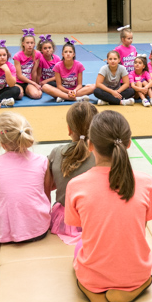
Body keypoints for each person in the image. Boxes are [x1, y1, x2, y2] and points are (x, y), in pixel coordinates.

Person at [67, 111, 152, 302]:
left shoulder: (76, 185)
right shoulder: (145, 182)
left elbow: (82, 228)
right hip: (137, 273)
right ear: (129, 143)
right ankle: (135, 287)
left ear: (90, 145)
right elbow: (139, 228)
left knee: (79, 247)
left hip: (92, 277)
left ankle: (91, 291)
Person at [0, 112, 52, 244]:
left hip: (2, 231)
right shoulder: (42, 161)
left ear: (2, 144)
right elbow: (46, 195)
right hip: (38, 230)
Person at [49, 102, 98, 245]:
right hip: (94, 219)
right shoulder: (102, 155)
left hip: (64, 222)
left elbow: (49, 187)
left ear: (69, 129)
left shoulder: (56, 152)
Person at [14, 30, 42, 100]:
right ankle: (23, 91)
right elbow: (19, 76)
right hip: (18, 82)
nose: (30, 45)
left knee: (37, 95)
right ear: (23, 43)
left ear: (34, 44)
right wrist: (34, 83)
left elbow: (34, 71)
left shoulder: (37, 54)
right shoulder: (17, 56)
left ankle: (28, 91)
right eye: (27, 43)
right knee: (19, 95)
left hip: (29, 82)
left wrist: (35, 84)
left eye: (31, 43)